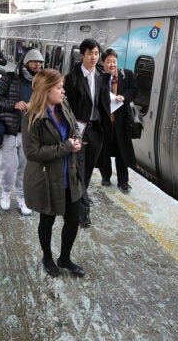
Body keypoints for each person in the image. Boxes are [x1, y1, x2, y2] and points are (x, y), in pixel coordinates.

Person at [22, 69, 86, 278]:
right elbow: (32, 152)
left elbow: (74, 127)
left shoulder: (63, 104)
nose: (63, 91)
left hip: (70, 175)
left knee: (73, 219)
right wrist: (65, 147)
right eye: (59, 87)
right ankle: (47, 257)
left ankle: (64, 258)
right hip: (47, 178)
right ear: (46, 90)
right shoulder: (32, 116)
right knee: (47, 220)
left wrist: (75, 140)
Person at [0, 49, 44, 215]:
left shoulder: (41, 82)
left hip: (29, 133)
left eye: (40, 62)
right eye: (34, 61)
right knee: (8, 167)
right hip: (10, 131)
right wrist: (13, 105)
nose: (38, 65)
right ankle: (5, 193)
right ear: (25, 62)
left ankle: (22, 197)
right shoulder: (10, 78)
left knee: (25, 168)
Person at [64, 38, 112, 228]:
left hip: (96, 131)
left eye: (96, 53)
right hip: (78, 131)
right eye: (90, 53)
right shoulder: (72, 78)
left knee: (88, 170)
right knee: (79, 170)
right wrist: (72, 133)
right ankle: (83, 213)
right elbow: (66, 107)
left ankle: (79, 198)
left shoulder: (101, 76)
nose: (94, 57)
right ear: (82, 55)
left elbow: (104, 104)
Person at [96, 49, 138, 192]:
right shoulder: (99, 78)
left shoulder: (127, 75)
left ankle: (123, 182)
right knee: (104, 151)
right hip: (105, 122)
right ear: (103, 63)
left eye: (114, 61)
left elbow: (134, 91)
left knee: (122, 152)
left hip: (121, 123)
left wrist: (123, 97)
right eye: (109, 62)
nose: (112, 65)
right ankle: (106, 177)